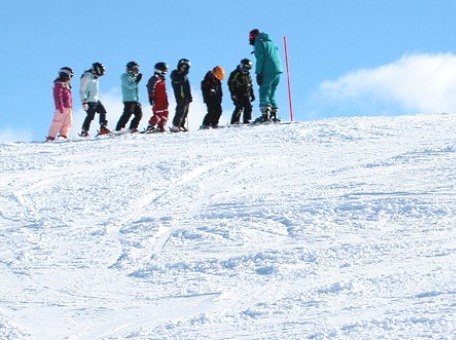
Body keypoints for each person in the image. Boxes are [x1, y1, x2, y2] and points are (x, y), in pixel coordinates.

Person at [249, 29, 284, 123]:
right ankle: (274, 113)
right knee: (271, 92)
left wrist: (258, 73)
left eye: (251, 36)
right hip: (278, 69)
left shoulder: (258, 42)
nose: (250, 39)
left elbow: (260, 58)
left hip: (268, 70)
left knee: (264, 91)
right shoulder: (270, 42)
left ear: (254, 36)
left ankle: (265, 115)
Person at [79, 62, 110, 137]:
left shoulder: (94, 77)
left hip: (95, 99)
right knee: (90, 115)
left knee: (103, 111)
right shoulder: (87, 77)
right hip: (88, 100)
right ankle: (84, 131)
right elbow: (82, 90)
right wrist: (84, 101)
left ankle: (103, 127)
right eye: (100, 73)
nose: (99, 76)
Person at [45, 67, 74, 142]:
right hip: (62, 108)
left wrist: (71, 108)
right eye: (70, 75)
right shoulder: (59, 84)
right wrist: (60, 107)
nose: (70, 78)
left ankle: (63, 135)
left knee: (68, 122)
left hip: (68, 108)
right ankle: (51, 137)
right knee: (57, 122)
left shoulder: (67, 85)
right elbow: (57, 96)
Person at [115, 61, 143, 133]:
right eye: (135, 69)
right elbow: (130, 86)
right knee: (127, 114)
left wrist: (138, 100)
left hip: (135, 100)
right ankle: (119, 129)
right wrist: (137, 81)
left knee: (139, 114)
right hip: (128, 100)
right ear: (130, 69)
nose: (137, 71)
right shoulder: (125, 77)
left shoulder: (133, 78)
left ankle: (133, 128)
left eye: (137, 69)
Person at [228, 58, 255, 124]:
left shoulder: (248, 75)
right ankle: (235, 121)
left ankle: (247, 120)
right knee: (239, 106)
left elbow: (250, 85)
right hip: (238, 93)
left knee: (248, 107)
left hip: (246, 94)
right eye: (246, 68)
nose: (246, 70)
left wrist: (252, 94)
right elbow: (230, 83)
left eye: (249, 68)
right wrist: (233, 93)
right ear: (241, 66)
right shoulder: (236, 73)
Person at [145, 62, 169, 133]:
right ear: (159, 70)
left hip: (163, 100)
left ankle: (160, 127)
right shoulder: (155, 78)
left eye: (166, 70)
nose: (165, 72)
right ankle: (151, 126)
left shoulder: (162, 79)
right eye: (164, 70)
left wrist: (166, 100)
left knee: (165, 114)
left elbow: (164, 92)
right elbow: (150, 88)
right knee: (158, 114)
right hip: (157, 100)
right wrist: (151, 98)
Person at [170, 58, 192, 132]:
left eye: (185, 67)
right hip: (180, 96)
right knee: (181, 110)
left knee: (186, 111)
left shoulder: (185, 77)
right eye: (182, 66)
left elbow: (187, 88)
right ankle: (176, 125)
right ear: (179, 66)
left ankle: (181, 125)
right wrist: (180, 79)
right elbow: (174, 79)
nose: (183, 68)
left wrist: (189, 96)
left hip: (186, 97)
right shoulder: (176, 74)